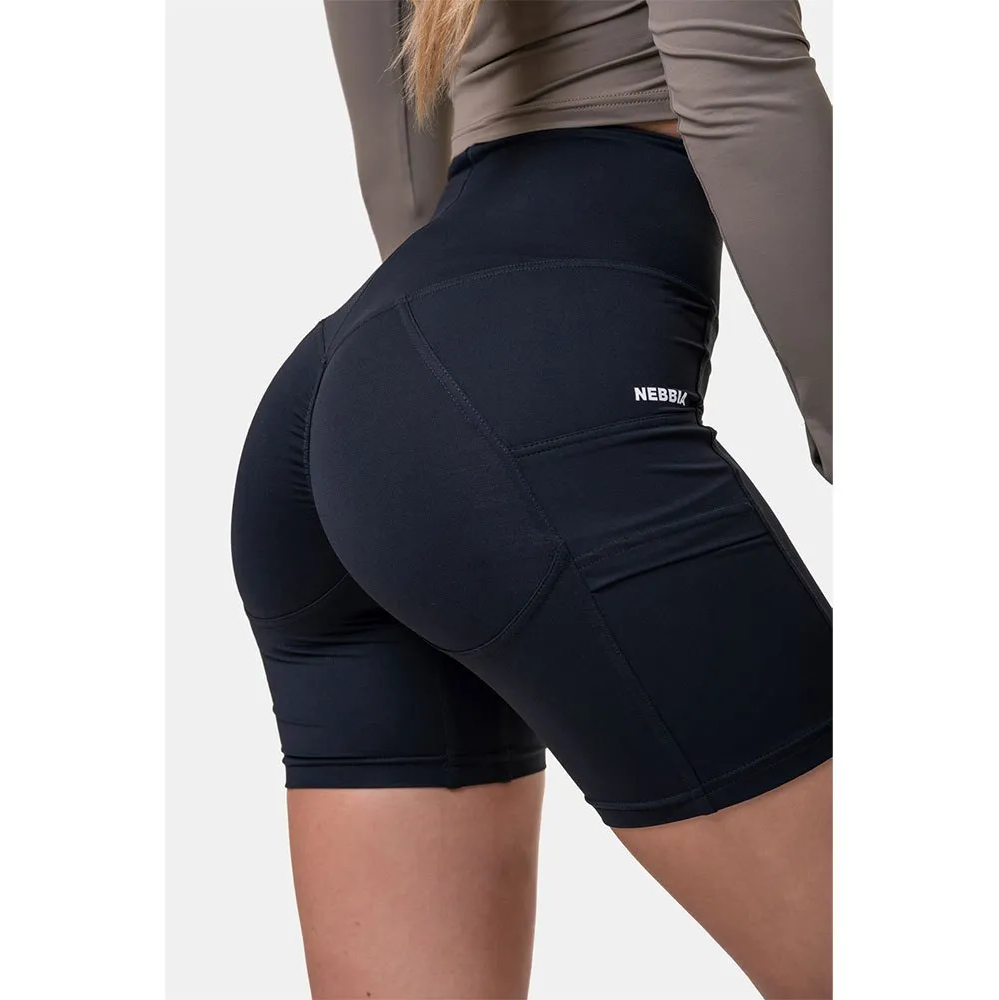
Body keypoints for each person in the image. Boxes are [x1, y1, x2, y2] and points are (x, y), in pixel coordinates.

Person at [229, 1, 833, 997]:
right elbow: (741, 82)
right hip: (515, 403)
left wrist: (433, 418)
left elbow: (397, 140)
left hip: (349, 397)